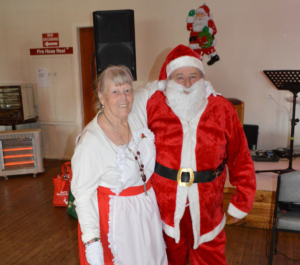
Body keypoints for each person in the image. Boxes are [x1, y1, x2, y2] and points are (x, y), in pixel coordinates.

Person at [147, 45, 256, 265]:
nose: (187, 83)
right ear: (169, 79)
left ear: (203, 77)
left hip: (208, 210)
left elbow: (240, 156)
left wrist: (243, 200)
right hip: (165, 210)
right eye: (179, 77)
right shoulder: (154, 106)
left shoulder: (222, 109)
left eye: (193, 76)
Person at [71, 66, 168, 265]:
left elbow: (151, 88)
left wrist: (177, 79)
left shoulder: (135, 112)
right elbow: (82, 195)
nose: (123, 97)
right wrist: (92, 241)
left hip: (147, 211)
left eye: (127, 90)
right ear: (101, 96)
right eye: (114, 91)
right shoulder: (90, 142)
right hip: (117, 220)